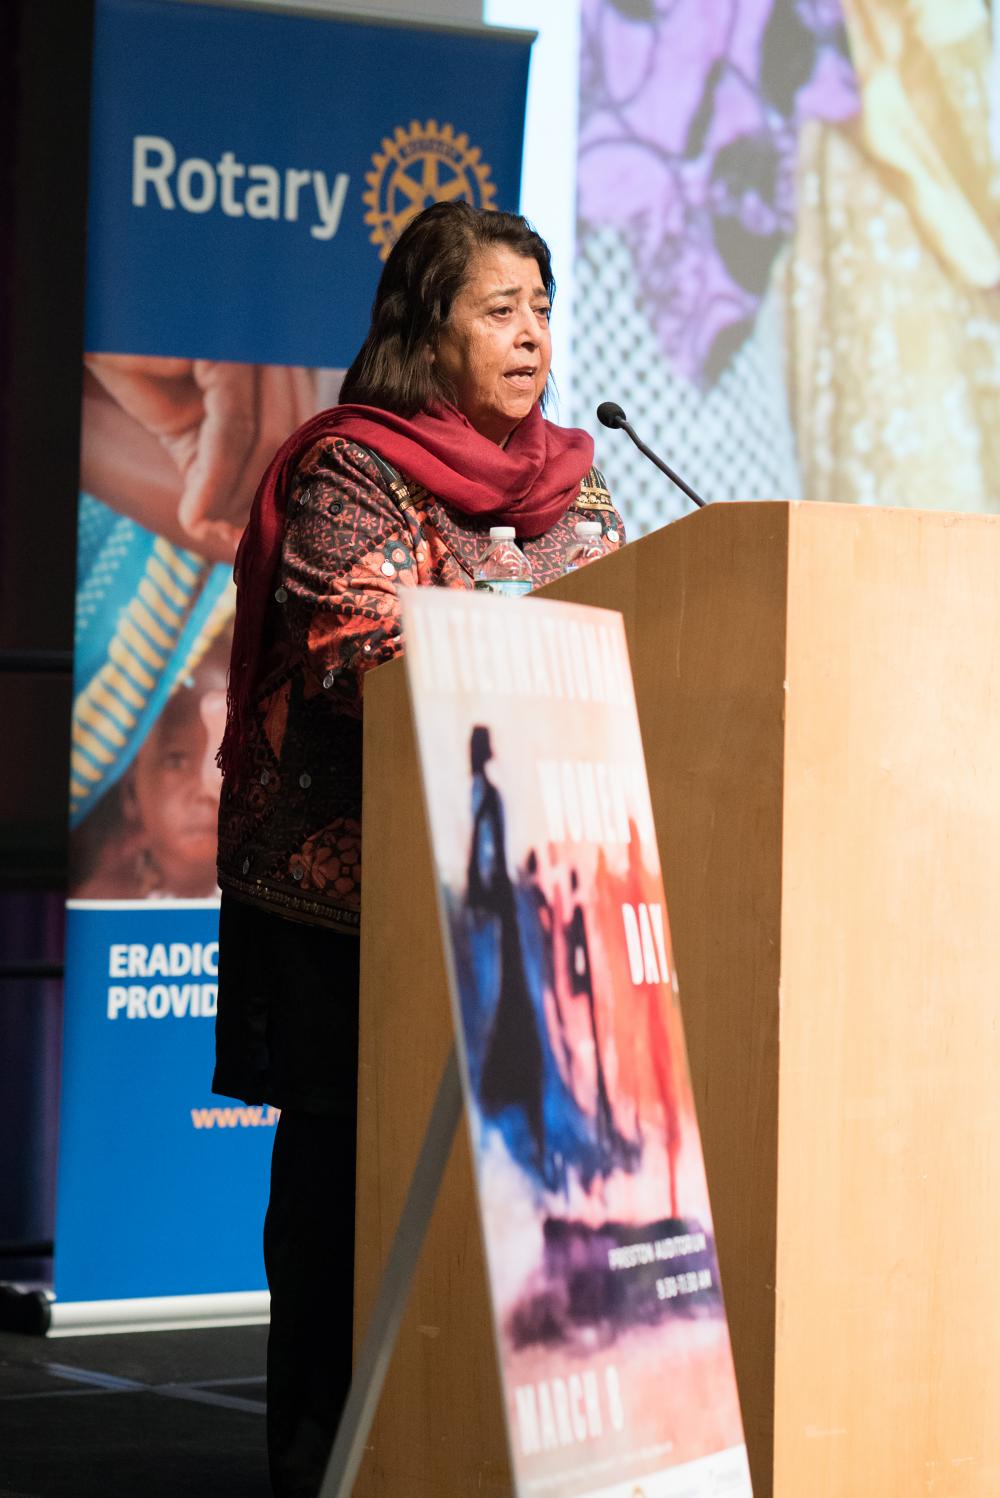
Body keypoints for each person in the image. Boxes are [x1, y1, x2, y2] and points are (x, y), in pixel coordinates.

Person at [212, 200, 625, 1498]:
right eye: (500, 309)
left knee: (517, 1211)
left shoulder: (575, 478)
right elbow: (362, 643)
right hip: (361, 910)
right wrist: (537, 630)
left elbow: (640, 618)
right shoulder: (354, 468)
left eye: (542, 308)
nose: (533, 334)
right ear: (424, 328)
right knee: (344, 1205)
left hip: (531, 899)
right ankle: (324, 1465)